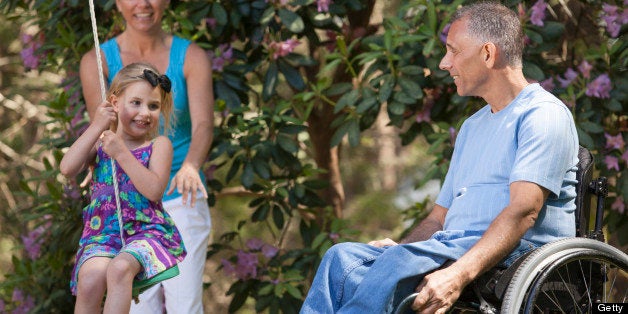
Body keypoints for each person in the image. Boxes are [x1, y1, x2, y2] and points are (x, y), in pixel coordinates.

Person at [301, 2, 579, 313]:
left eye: (453, 51)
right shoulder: (472, 127)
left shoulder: (543, 114)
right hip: (450, 245)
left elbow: (523, 212)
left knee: (391, 269)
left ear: (488, 54)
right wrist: (406, 250)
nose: (445, 63)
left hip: (516, 255)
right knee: (341, 259)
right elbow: (438, 219)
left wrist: (456, 274)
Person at [79, 0, 214, 312]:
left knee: (184, 303)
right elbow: (102, 128)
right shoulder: (97, 60)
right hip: (126, 203)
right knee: (138, 305)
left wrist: (192, 165)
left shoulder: (190, 56)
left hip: (178, 193)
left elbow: (205, 124)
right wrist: (91, 157)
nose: (143, 3)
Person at [61, 62, 186, 313]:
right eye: (136, 103)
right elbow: (67, 168)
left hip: (146, 232)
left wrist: (121, 153)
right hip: (103, 233)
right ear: (115, 104)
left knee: (119, 268)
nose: (145, 112)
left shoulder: (159, 145)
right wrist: (97, 126)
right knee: (90, 280)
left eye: (153, 106)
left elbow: (154, 190)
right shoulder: (102, 142)